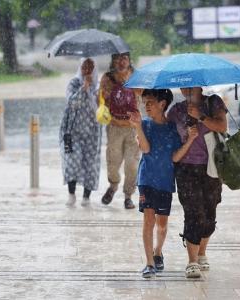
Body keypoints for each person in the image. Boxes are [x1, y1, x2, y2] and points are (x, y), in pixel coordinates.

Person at [129, 89, 197, 279]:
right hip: (147, 179)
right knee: (148, 220)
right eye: (144, 102)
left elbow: (175, 157)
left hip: (165, 181)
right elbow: (146, 148)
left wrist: (190, 140)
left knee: (162, 224)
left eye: (150, 101)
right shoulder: (144, 124)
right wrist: (137, 127)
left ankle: (158, 251)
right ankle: (149, 262)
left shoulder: (172, 128)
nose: (146, 105)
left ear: (162, 104)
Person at [167, 86, 227, 279]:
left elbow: (222, 126)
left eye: (191, 86)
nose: (187, 89)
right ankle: (192, 261)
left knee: (209, 213)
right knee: (193, 212)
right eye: (184, 86)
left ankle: (201, 252)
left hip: (212, 166)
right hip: (186, 169)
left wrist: (200, 116)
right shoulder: (176, 110)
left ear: (200, 87)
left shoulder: (213, 103)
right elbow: (168, 136)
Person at [100, 52, 140, 209]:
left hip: (133, 128)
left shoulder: (137, 77)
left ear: (129, 60)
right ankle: (113, 185)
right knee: (112, 162)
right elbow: (101, 101)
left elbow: (145, 97)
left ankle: (128, 195)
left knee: (132, 164)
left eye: (124, 58)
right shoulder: (108, 78)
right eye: (118, 58)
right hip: (114, 127)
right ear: (113, 61)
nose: (121, 62)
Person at [59, 58, 102, 207]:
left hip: (92, 133)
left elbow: (100, 108)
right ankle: (71, 194)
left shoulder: (98, 87)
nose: (87, 70)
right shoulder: (74, 83)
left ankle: (86, 197)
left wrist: (94, 92)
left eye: (91, 67)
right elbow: (71, 102)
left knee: (90, 164)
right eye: (84, 66)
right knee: (73, 161)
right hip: (72, 132)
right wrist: (83, 88)